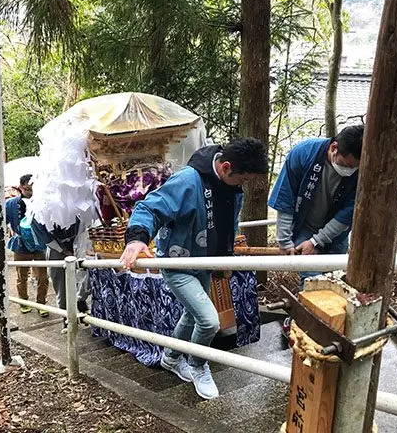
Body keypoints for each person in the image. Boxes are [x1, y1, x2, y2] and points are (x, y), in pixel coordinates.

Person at [120, 137, 269, 400]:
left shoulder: (232, 188)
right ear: (225, 167)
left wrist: (225, 258)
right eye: (242, 178)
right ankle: (198, 364)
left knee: (191, 316)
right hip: (178, 263)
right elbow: (150, 208)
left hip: (205, 262)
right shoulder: (188, 180)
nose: (243, 185)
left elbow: (228, 225)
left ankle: (171, 357)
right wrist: (137, 238)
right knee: (209, 321)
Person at [268, 125, 364, 289]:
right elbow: (285, 198)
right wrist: (285, 242)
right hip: (305, 226)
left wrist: (316, 241)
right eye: (346, 165)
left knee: (337, 282)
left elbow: (347, 214)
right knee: (313, 281)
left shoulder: (361, 170)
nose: (350, 170)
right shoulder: (304, 153)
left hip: (337, 234)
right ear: (334, 148)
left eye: (354, 167)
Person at [31, 216, 90, 333]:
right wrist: (62, 251)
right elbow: (42, 234)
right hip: (55, 248)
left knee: (85, 275)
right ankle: (66, 317)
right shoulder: (38, 209)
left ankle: (81, 302)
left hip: (79, 242)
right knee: (61, 284)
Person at [6, 174, 50, 317]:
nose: (30, 192)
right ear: (20, 187)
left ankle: (41, 303)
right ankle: (23, 301)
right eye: (27, 189)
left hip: (39, 245)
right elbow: (1, 220)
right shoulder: (11, 203)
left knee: (43, 276)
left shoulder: (42, 202)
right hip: (20, 244)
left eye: (32, 189)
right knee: (22, 275)